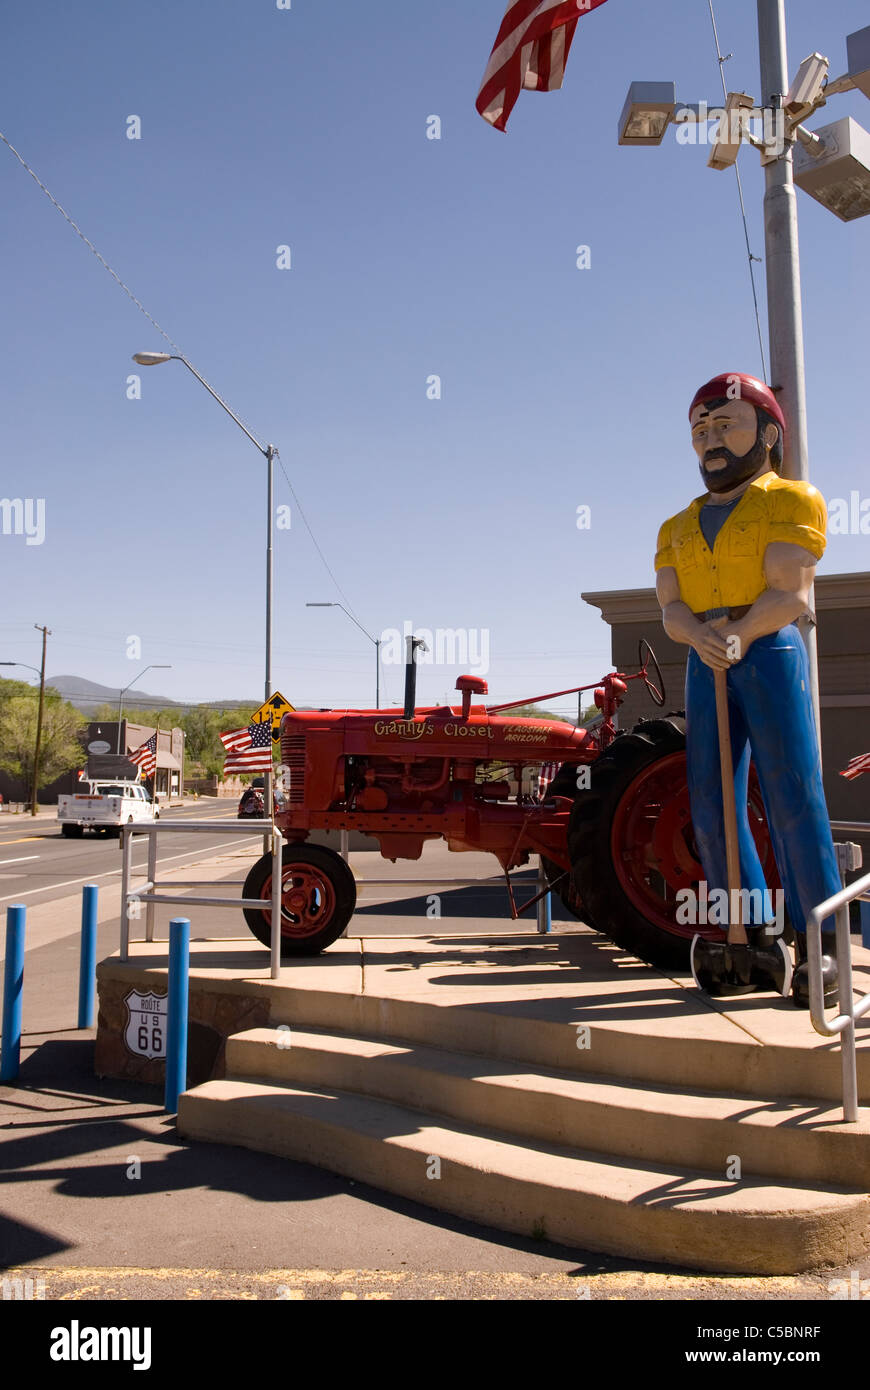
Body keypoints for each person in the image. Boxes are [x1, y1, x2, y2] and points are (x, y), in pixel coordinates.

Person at [655, 372, 841, 1006]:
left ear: (767, 433)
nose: (711, 440)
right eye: (701, 429)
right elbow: (670, 609)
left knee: (793, 793)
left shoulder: (791, 500)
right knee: (710, 799)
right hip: (705, 656)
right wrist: (701, 637)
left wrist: (736, 633)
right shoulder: (675, 526)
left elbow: (789, 594)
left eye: (726, 425)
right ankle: (750, 930)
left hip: (767, 648)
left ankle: (824, 942)